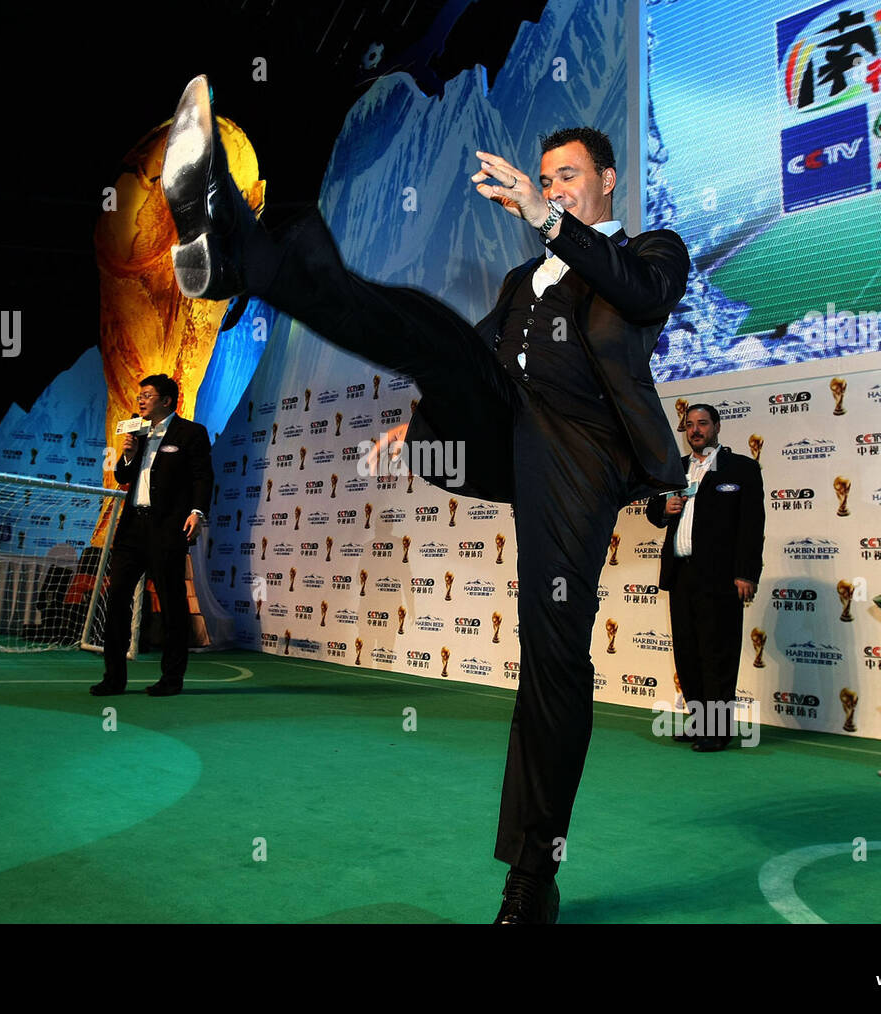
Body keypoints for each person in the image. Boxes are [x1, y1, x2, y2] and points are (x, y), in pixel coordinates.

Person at [161, 76, 690, 922]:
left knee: (552, 657)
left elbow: (643, 295)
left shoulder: (651, 250)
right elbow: (466, 352)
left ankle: (533, 874)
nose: (551, 188)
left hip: (578, 454)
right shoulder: (524, 281)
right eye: (543, 177)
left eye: (565, 177)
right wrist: (419, 419)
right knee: (438, 335)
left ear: (607, 183)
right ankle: (251, 259)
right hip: (503, 431)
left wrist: (549, 221)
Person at [646, 404, 764, 751]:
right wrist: (662, 509)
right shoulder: (675, 469)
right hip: (681, 574)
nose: (695, 430)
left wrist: (746, 572)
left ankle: (717, 731)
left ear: (717, 426)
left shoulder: (741, 468)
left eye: (702, 424)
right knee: (688, 653)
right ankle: (700, 725)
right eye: (690, 425)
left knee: (718, 654)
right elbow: (654, 509)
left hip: (722, 577)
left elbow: (752, 525)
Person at [91, 374, 214, 697]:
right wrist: (129, 453)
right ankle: (113, 678)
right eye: (139, 395)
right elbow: (122, 475)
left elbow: (203, 477)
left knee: (173, 604)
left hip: (167, 529)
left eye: (147, 395)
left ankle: (171, 679)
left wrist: (197, 512)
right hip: (133, 529)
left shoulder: (191, 433)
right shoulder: (137, 432)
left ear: (166, 400)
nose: (140, 400)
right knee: (116, 599)